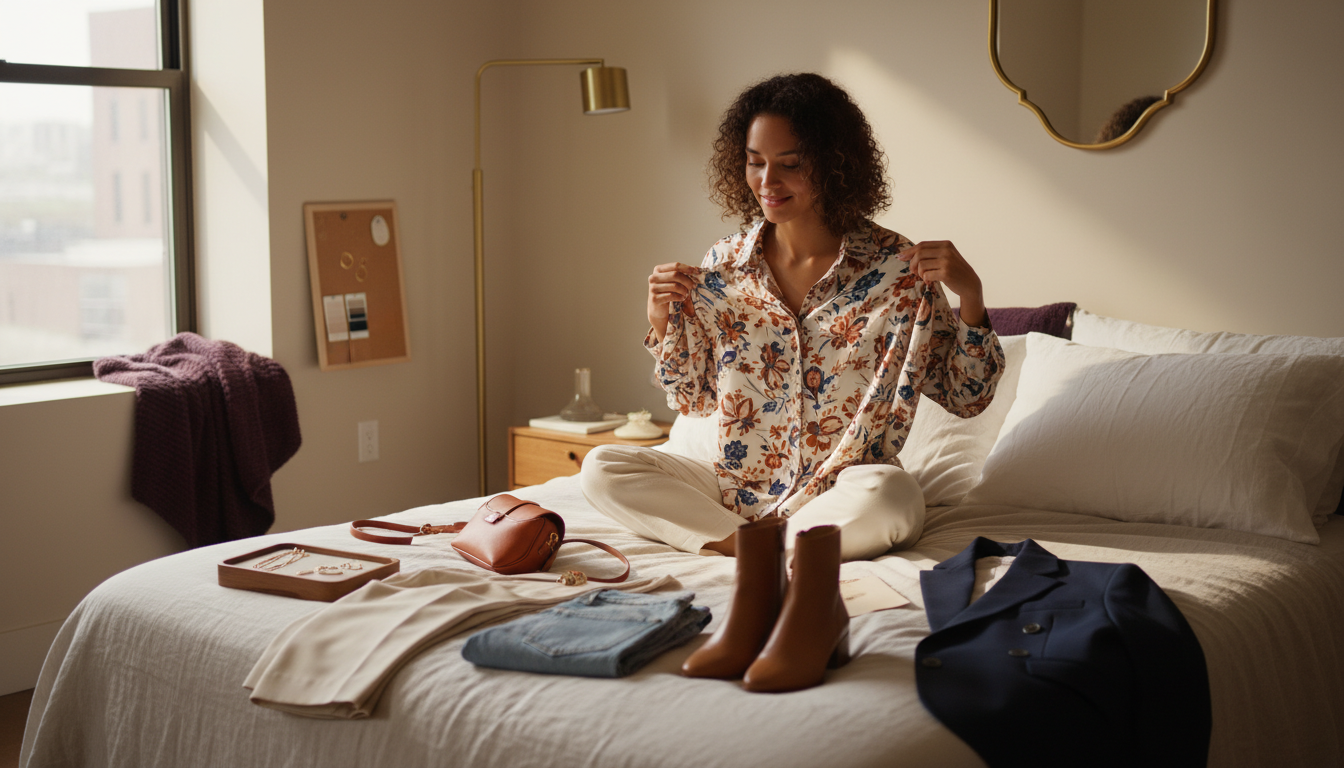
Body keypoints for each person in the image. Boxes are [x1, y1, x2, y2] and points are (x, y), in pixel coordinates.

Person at [580, 73, 1005, 562]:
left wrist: (970, 295)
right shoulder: (723, 265)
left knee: (894, 497)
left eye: (790, 164)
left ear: (834, 165)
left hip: (847, 491)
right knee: (602, 466)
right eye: (755, 162)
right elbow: (692, 399)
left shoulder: (899, 269)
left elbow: (966, 397)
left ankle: (760, 545)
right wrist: (662, 322)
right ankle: (760, 547)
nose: (767, 182)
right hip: (734, 495)